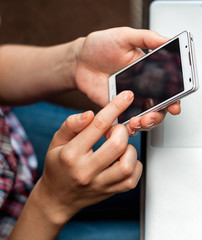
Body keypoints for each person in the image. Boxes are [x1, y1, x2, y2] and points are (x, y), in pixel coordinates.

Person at [0, 27, 181, 239]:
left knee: (172, 157)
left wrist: (75, 61)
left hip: (14, 137)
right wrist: (51, 203)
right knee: (175, 230)